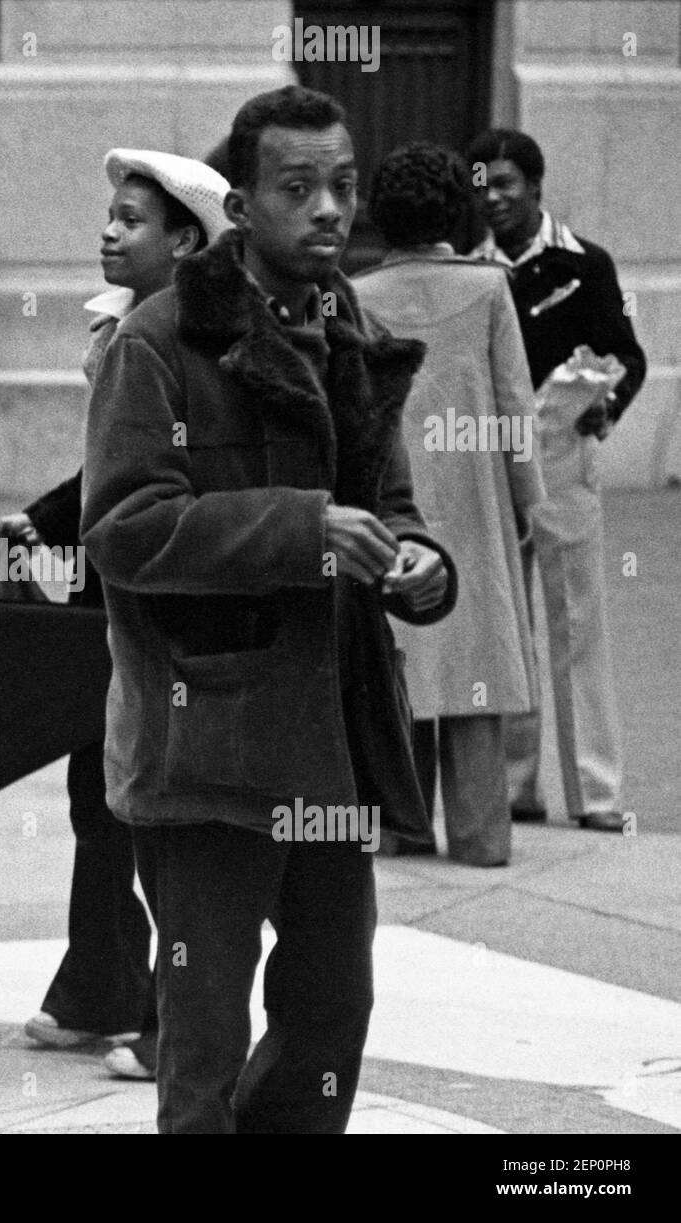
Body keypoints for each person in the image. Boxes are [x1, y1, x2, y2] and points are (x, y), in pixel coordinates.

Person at [81, 85, 457, 1133]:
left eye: (341, 185)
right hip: (205, 739)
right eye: (297, 188)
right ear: (240, 206)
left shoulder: (355, 332)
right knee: (200, 1028)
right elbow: (123, 527)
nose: (330, 209)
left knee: (334, 1006)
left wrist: (418, 563)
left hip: (331, 735)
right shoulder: (158, 341)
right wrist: (303, 529)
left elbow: (390, 508)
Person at [0, 150, 231, 1081]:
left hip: (166, 612)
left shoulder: (186, 344)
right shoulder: (129, 330)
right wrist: (44, 521)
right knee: (101, 795)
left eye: (132, 220)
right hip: (115, 605)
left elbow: (175, 481)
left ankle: (181, 1028)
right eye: (111, 215)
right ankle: (97, 989)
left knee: (158, 816)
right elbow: (115, 471)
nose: (109, 230)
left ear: (185, 240)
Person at [356, 143, 546, 867]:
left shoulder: (356, 294)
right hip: (476, 495)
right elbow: (514, 403)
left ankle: (403, 823)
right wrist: (530, 502)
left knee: (405, 660)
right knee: (480, 659)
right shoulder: (491, 288)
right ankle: (480, 832)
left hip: (392, 500)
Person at [466, 128, 647, 833]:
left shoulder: (585, 263)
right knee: (508, 627)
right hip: (494, 461)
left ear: (537, 188)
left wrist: (607, 405)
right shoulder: (474, 273)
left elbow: (628, 354)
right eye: (482, 184)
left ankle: (595, 793)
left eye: (506, 183)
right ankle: (517, 787)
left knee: (578, 624)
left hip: (566, 457)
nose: (494, 197)